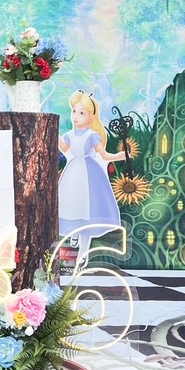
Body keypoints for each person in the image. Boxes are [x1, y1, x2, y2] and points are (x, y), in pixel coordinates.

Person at [58, 90, 126, 267]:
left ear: (90, 117)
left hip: (89, 174)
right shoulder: (69, 135)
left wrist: (118, 156)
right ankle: (74, 233)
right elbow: (64, 148)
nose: (76, 116)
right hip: (73, 173)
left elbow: (104, 155)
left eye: (81, 113)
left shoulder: (92, 136)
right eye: (74, 111)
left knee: (87, 210)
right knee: (72, 203)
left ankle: (83, 252)